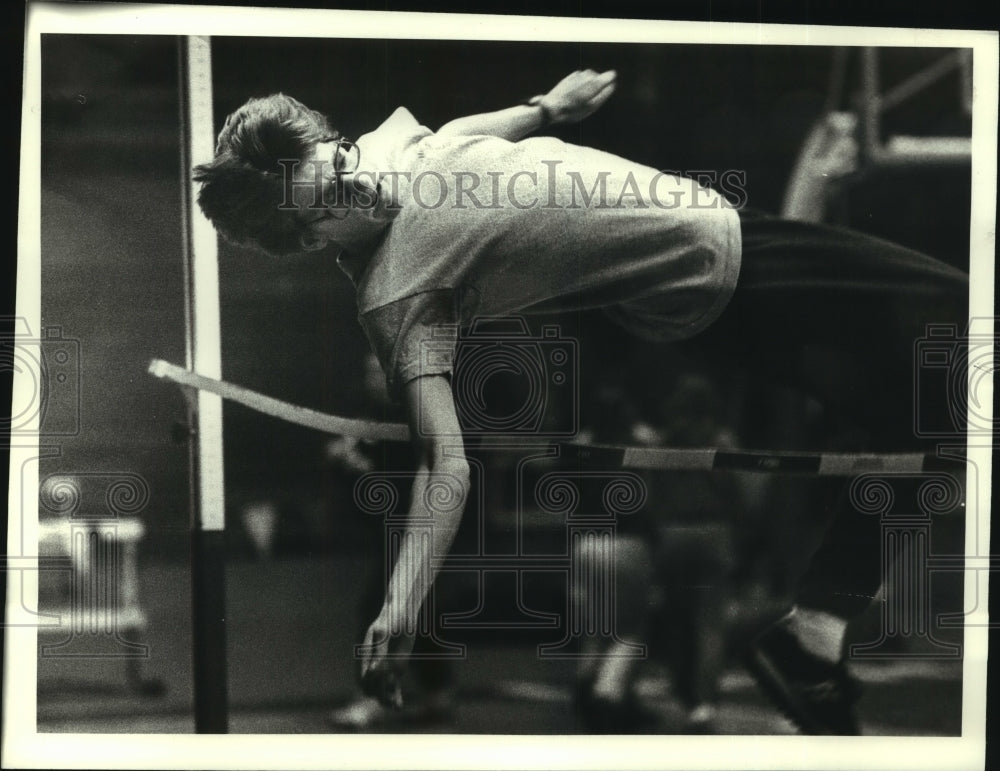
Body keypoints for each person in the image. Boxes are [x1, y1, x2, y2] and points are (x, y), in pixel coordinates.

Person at [193, 69, 969, 734]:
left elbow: (462, 131)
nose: (360, 182)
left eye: (342, 162)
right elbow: (442, 461)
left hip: (735, 238)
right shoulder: (398, 292)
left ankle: (812, 636)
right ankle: (810, 636)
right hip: (729, 284)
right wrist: (401, 605)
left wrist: (549, 107)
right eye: (331, 201)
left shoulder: (385, 152)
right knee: (968, 324)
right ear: (305, 239)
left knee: (933, 431)